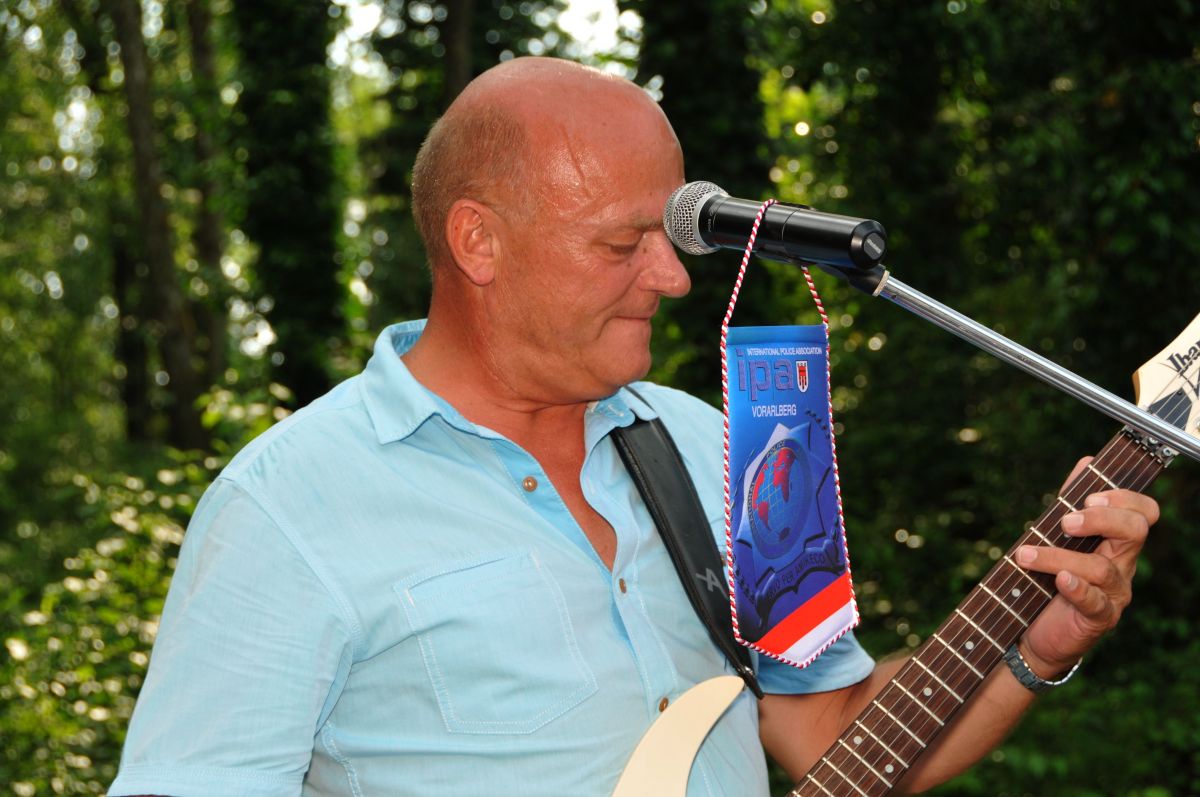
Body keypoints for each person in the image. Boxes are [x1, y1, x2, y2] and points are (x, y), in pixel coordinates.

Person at [108, 57, 1159, 797]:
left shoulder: (725, 448)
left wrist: (1034, 646)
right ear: (478, 241)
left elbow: (831, 733)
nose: (670, 276)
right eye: (622, 245)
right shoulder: (288, 505)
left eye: (670, 238)